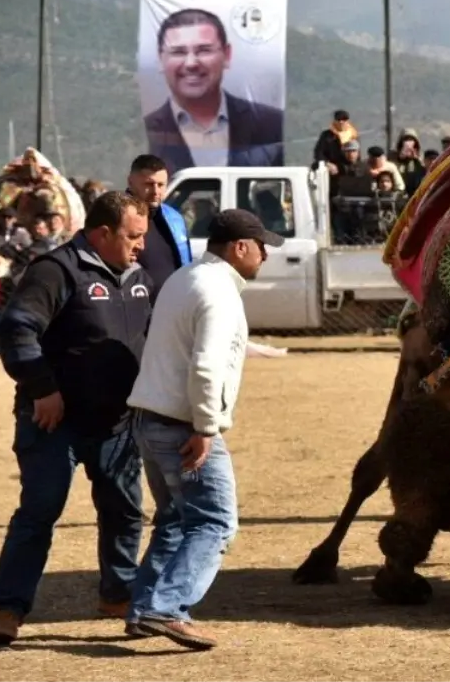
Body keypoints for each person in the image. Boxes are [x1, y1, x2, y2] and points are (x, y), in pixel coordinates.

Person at [0, 192, 153, 646]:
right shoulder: (55, 270)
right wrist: (43, 389)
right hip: (53, 422)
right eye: (133, 236)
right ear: (102, 234)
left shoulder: (141, 277)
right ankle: (7, 609)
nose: (141, 245)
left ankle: (118, 595)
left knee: (124, 511)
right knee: (39, 513)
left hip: (117, 423)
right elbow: (16, 329)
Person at [125, 209, 284, 650]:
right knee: (215, 520)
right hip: (183, 424)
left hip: (149, 419)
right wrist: (206, 425)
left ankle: (143, 610)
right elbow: (206, 364)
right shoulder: (218, 292)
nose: (266, 255)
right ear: (239, 248)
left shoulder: (186, 278)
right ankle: (166, 608)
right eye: (261, 246)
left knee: (176, 519)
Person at [142, 8, 285, 173]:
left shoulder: (272, 124)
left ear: (227, 55)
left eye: (204, 50)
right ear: (161, 59)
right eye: (178, 52)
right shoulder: (145, 132)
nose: (191, 63)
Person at [127, 154, 192, 301]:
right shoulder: (116, 216)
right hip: (132, 307)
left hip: (173, 308)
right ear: (131, 182)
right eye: (149, 184)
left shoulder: (174, 218)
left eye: (161, 185)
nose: (156, 191)